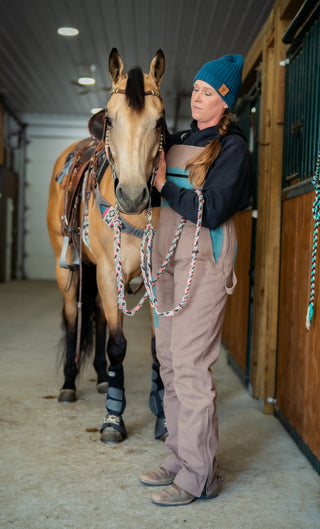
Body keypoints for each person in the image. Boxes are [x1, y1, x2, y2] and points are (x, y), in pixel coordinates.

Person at [139, 54, 254, 506]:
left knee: (190, 366)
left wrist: (167, 186)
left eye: (208, 93)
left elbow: (214, 209)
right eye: (197, 90)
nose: (197, 97)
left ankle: (200, 475)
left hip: (204, 263)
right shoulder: (181, 138)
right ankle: (178, 458)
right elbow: (149, 187)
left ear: (225, 102)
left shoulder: (233, 149)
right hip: (167, 257)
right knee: (167, 361)